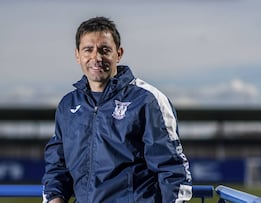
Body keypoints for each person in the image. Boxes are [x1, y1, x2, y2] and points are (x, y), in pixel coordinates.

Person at [42, 16, 192, 203]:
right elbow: (57, 165)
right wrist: (55, 197)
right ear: (77, 55)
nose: (96, 57)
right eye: (88, 50)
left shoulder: (147, 100)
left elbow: (172, 169)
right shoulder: (68, 105)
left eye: (105, 50)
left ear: (118, 54)